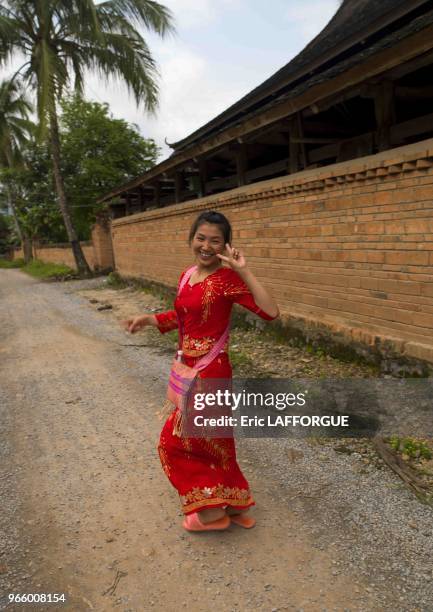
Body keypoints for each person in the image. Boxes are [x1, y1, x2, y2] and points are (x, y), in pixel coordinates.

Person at [124, 211, 279, 532]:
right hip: (188, 368)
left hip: (211, 372)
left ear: (226, 245)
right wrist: (151, 319)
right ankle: (235, 505)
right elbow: (184, 316)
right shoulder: (186, 275)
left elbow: (270, 312)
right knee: (215, 441)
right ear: (191, 238)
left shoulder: (227, 280)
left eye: (215, 240)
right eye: (201, 238)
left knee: (173, 443)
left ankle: (210, 514)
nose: (206, 246)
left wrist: (244, 270)